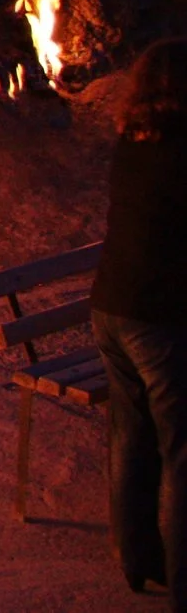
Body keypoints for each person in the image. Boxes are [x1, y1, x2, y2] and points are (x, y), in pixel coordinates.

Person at [96, 36, 187, 603]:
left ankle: (138, 557)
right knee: (182, 450)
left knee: (132, 437)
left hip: (111, 308)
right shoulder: (181, 149)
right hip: (158, 318)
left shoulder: (132, 140)